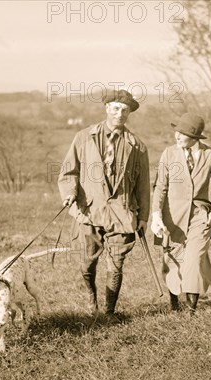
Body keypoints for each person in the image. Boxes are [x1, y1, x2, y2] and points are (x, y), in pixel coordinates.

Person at [58, 89, 150, 319]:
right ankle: (92, 302)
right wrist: (69, 193)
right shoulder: (83, 137)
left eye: (125, 110)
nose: (120, 114)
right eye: (116, 108)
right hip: (88, 211)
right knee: (87, 263)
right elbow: (69, 171)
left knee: (116, 264)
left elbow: (143, 186)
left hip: (123, 213)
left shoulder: (137, 146)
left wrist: (143, 217)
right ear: (107, 108)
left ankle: (109, 312)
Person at [151, 113, 211, 314]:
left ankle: (191, 310)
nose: (177, 136)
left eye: (182, 133)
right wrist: (156, 215)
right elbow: (160, 187)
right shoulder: (168, 154)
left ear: (194, 137)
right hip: (172, 217)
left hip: (200, 216)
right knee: (173, 260)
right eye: (176, 131)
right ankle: (174, 303)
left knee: (193, 259)